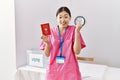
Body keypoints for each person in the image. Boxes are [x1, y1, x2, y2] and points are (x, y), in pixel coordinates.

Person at [40, 6, 86, 80]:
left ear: (70, 18)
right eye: (60, 17)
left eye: (66, 17)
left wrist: (77, 31)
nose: (63, 20)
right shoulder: (50, 32)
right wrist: (48, 43)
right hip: (54, 70)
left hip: (69, 70)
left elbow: (77, 51)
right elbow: (47, 54)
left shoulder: (74, 30)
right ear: (56, 19)